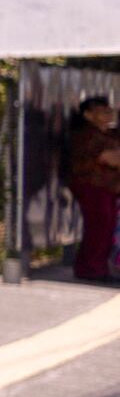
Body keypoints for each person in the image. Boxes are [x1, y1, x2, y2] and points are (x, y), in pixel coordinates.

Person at [69, 96, 120, 284]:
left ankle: (98, 267)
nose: (108, 113)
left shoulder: (110, 133)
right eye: (102, 110)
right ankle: (90, 268)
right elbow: (109, 158)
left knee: (106, 226)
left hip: (107, 187)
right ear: (89, 115)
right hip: (92, 186)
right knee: (98, 225)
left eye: (109, 109)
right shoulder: (87, 135)